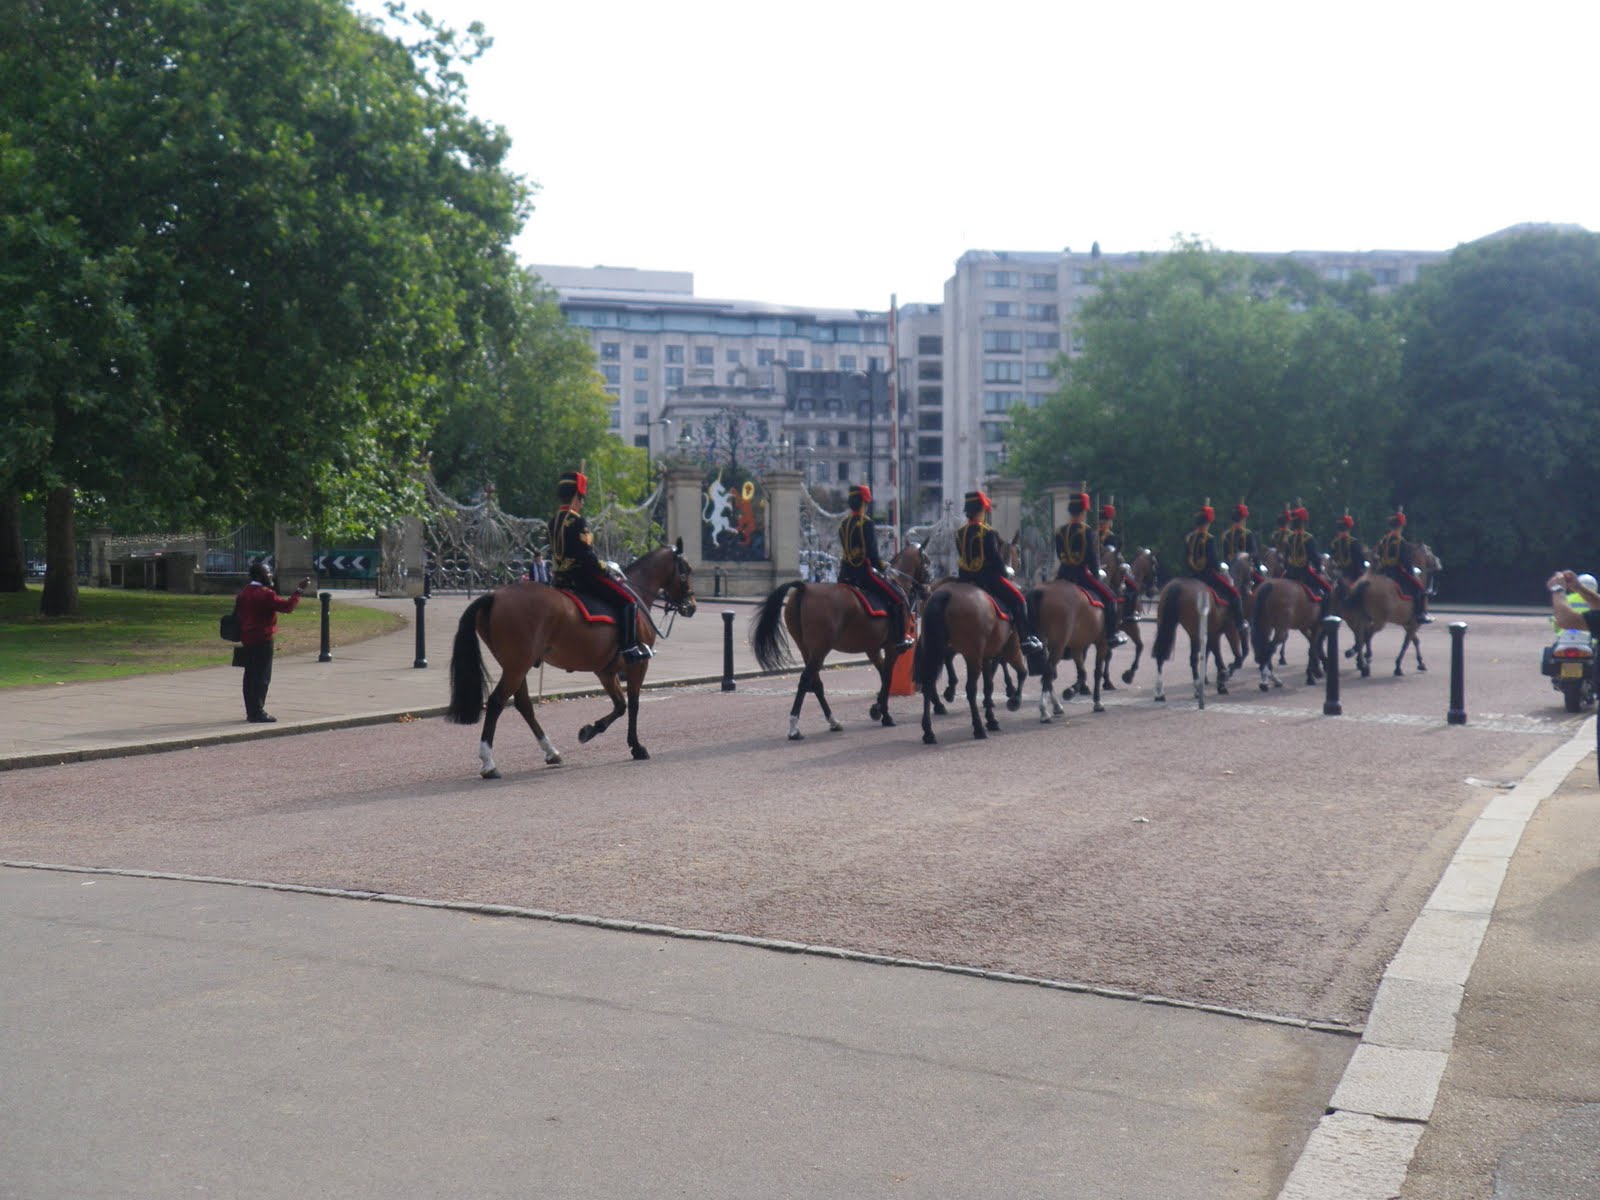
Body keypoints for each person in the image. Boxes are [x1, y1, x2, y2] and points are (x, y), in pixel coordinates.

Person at [549, 469, 652, 662]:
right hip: (583, 577)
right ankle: (629, 648)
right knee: (628, 601)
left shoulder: (552, 521)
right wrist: (606, 567)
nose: (582, 503)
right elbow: (586, 557)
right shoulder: (577, 521)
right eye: (582, 498)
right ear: (576, 497)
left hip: (560, 578)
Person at [955, 489, 1045, 660]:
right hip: (987, 579)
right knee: (1019, 600)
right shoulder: (987, 532)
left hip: (965, 579)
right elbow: (995, 560)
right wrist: (1005, 571)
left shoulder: (959, 533)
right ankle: (1025, 639)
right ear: (981, 511)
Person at [837, 483, 915, 649]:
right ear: (864, 503)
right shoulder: (866, 523)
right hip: (864, 574)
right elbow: (871, 555)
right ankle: (900, 638)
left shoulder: (843, 524)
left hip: (845, 575)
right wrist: (882, 565)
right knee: (898, 598)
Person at [236, 560, 309, 724]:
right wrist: (299, 590)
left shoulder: (245, 591)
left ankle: (251, 710)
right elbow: (287, 607)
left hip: (247, 637)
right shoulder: (265, 593)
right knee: (262, 677)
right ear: (259, 575)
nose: (271, 575)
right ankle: (257, 712)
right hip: (262, 638)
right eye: (268, 573)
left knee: (250, 677)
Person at [1054, 491, 1127, 647]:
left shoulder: (1059, 531)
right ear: (1082, 511)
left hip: (1062, 574)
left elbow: (1060, 554)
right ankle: (1111, 635)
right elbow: (1091, 557)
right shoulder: (1085, 530)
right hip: (1081, 576)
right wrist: (1095, 575)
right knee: (1111, 599)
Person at [1183, 502, 1248, 633]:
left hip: (1191, 576)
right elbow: (1213, 561)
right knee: (1234, 594)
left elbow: (1185, 558)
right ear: (1208, 522)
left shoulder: (1189, 538)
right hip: (1207, 577)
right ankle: (1240, 623)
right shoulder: (1209, 538)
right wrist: (1220, 570)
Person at [1374, 507, 1433, 624]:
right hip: (1396, 572)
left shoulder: (1384, 540)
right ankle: (1420, 614)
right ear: (1401, 526)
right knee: (1419, 588)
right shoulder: (1401, 542)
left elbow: (1379, 555)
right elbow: (1406, 561)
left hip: (1383, 571)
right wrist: (1411, 574)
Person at [1282, 505, 1332, 608]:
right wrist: (1318, 569)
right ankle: (1324, 617)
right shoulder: (1308, 538)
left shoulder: (1289, 538)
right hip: (1305, 574)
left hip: (1290, 573)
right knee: (1328, 589)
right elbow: (1315, 558)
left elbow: (1286, 558)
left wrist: (1288, 568)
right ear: (1304, 522)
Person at [1218, 502, 1261, 576]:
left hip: (1246, 564)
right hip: (1230, 565)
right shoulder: (1227, 535)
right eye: (1238, 521)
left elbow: (1254, 553)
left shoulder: (1248, 534)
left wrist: (1246, 555)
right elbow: (1225, 555)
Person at [1328, 513, 1366, 594]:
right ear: (1349, 529)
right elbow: (1360, 562)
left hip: (1337, 574)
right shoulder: (1354, 543)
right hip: (1352, 575)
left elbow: (1332, 560)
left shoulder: (1334, 543)